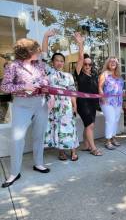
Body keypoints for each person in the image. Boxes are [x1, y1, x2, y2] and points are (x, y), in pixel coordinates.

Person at [1, 38, 50, 188]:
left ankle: (38, 163)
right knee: (17, 139)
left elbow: (45, 80)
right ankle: (15, 172)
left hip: (40, 103)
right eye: (36, 49)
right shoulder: (13, 66)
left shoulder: (39, 65)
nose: (39, 52)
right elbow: (5, 87)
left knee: (39, 134)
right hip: (22, 105)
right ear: (28, 51)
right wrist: (24, 86)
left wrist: (48, 90)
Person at [42, 29, 79, 161]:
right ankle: (62, 152)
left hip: (67, 105)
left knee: (70, 126)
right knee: (58, 128)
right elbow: (44, 55)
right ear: (52, 62)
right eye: (57, 60)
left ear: (64, 63)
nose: (59, 62)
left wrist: (75, 106)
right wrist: (46, 36)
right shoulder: (49, 72)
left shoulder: (68, 76)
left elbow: (72, 91)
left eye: (62, 61)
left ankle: (74, 150)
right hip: (54, 105)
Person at [74, 33, 102, 156]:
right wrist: (80, 44)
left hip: (92, 103)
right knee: (90, 125)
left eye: (89, 64)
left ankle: (85, 144)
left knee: (89, 125)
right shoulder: (79, 73)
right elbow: (80, 58)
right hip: (82, 102)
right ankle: (93, 148)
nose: (87, 66)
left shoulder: (94, 74)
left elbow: (97, 89)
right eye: (85, 64)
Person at [98, 57, 124, 150]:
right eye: (111, 61)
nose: (113, 63)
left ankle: (113, 138)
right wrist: (102, 97)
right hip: (107, 101)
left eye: (115, 62)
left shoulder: (119, 76)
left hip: (118, 101)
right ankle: (108, 141)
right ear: (107, 63)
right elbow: (100, 87)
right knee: (110, 120)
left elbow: (121, 89)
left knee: (116, 120)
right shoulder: (104, 74)